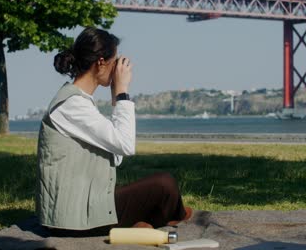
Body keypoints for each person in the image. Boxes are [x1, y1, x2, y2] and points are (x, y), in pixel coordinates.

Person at [36, 27, 192, 236]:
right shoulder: (72, 104)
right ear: (101, 62)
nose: (117, 68)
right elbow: (126, 146)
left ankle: (150, 220)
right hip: (71, 219)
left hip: (77, 209)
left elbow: (115, 156)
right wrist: (122, 92)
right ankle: (167, 216)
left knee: (150, 189)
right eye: (114, 61)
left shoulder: (78, 101)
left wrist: (114, 97)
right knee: (165, 184)